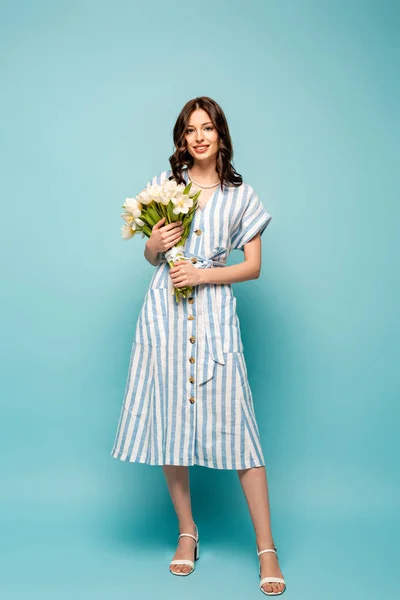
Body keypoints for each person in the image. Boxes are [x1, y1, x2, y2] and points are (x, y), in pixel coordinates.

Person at [111, 96, 286, 596]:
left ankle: (266, 547)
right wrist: (157, 243)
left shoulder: (242, 196)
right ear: (182, 139)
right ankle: (187, 532)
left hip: (214, 321)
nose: (200, 137)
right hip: (164, 318)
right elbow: (150, 256)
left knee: (240, 430)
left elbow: (252, 266)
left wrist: (202, 274)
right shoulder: (168, 189)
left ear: (221, 135)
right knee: (171, 425)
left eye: (207, 128)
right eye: (191, 130)